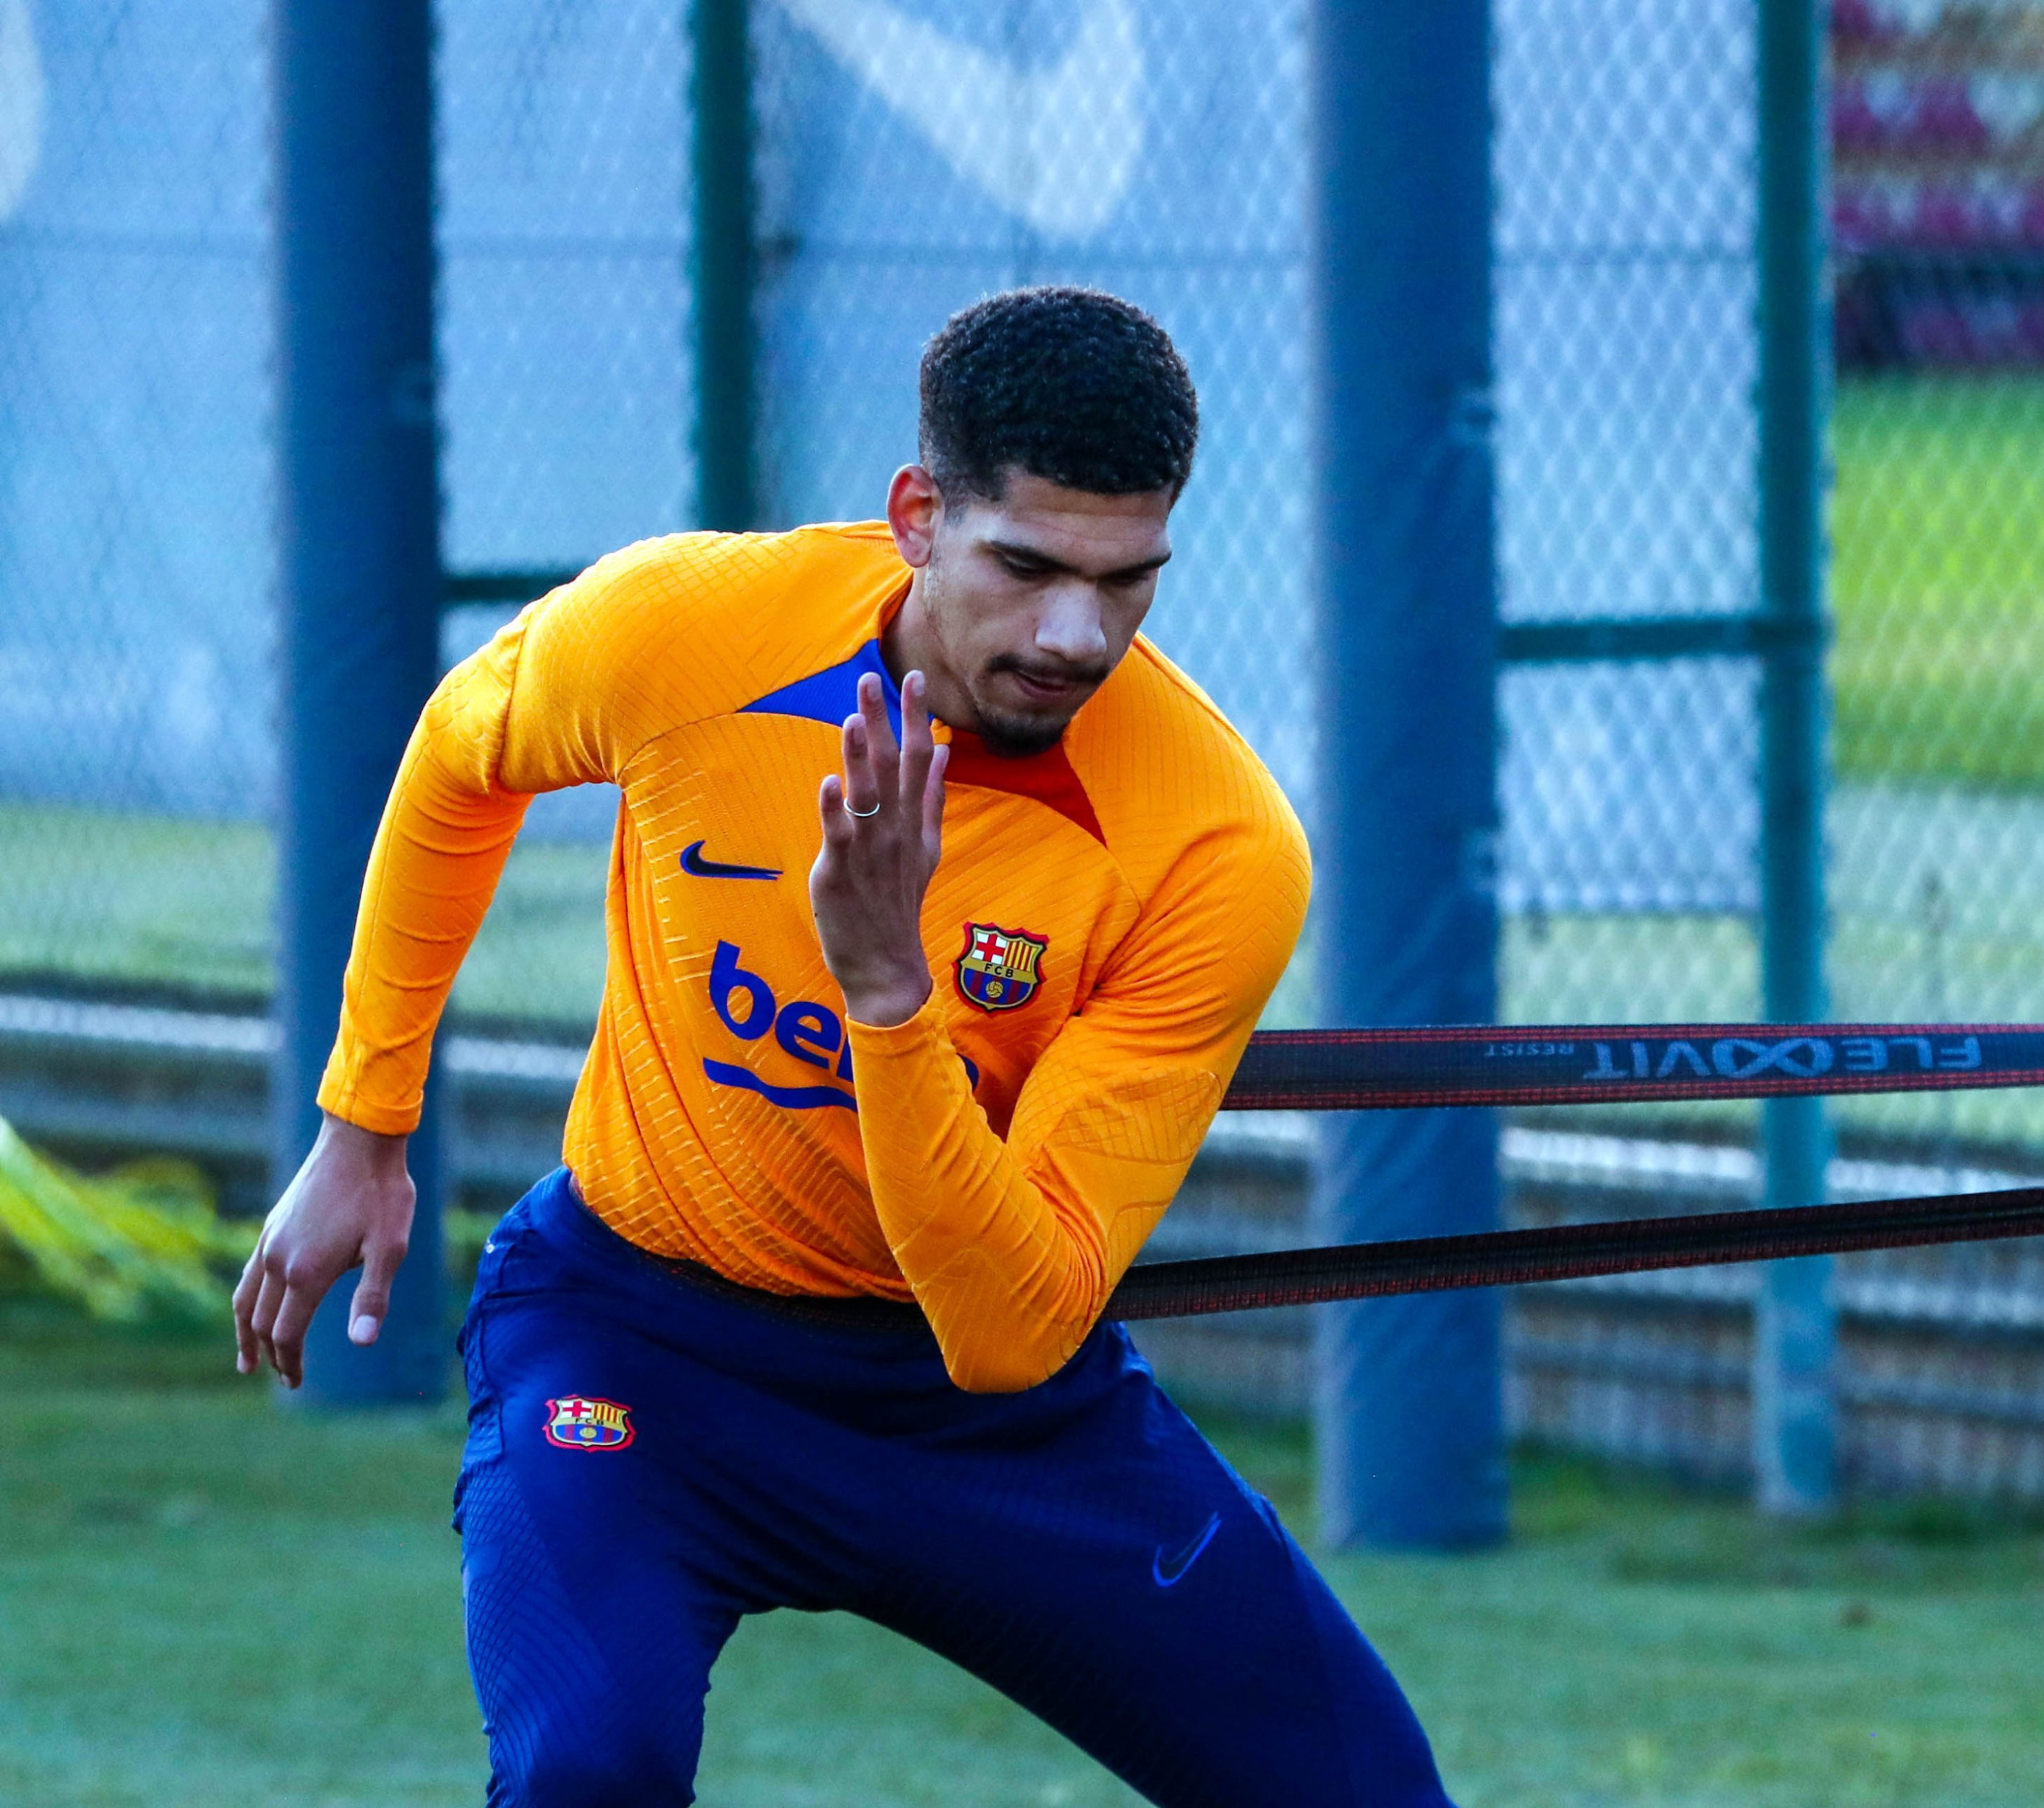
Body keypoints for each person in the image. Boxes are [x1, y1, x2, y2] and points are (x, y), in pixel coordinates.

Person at [230, 286, 1455, 1807]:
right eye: (1024, 565)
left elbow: (1010, 1329)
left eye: (1127, 581)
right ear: (915, 515)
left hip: (980, 1411)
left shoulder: (1215, 845)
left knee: (1364, 1791)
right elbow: (458, 757)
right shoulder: (682, 633)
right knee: (587, 1769)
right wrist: (365, 1117)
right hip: (636, 1341)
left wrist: (889, 995)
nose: (1075, 632)